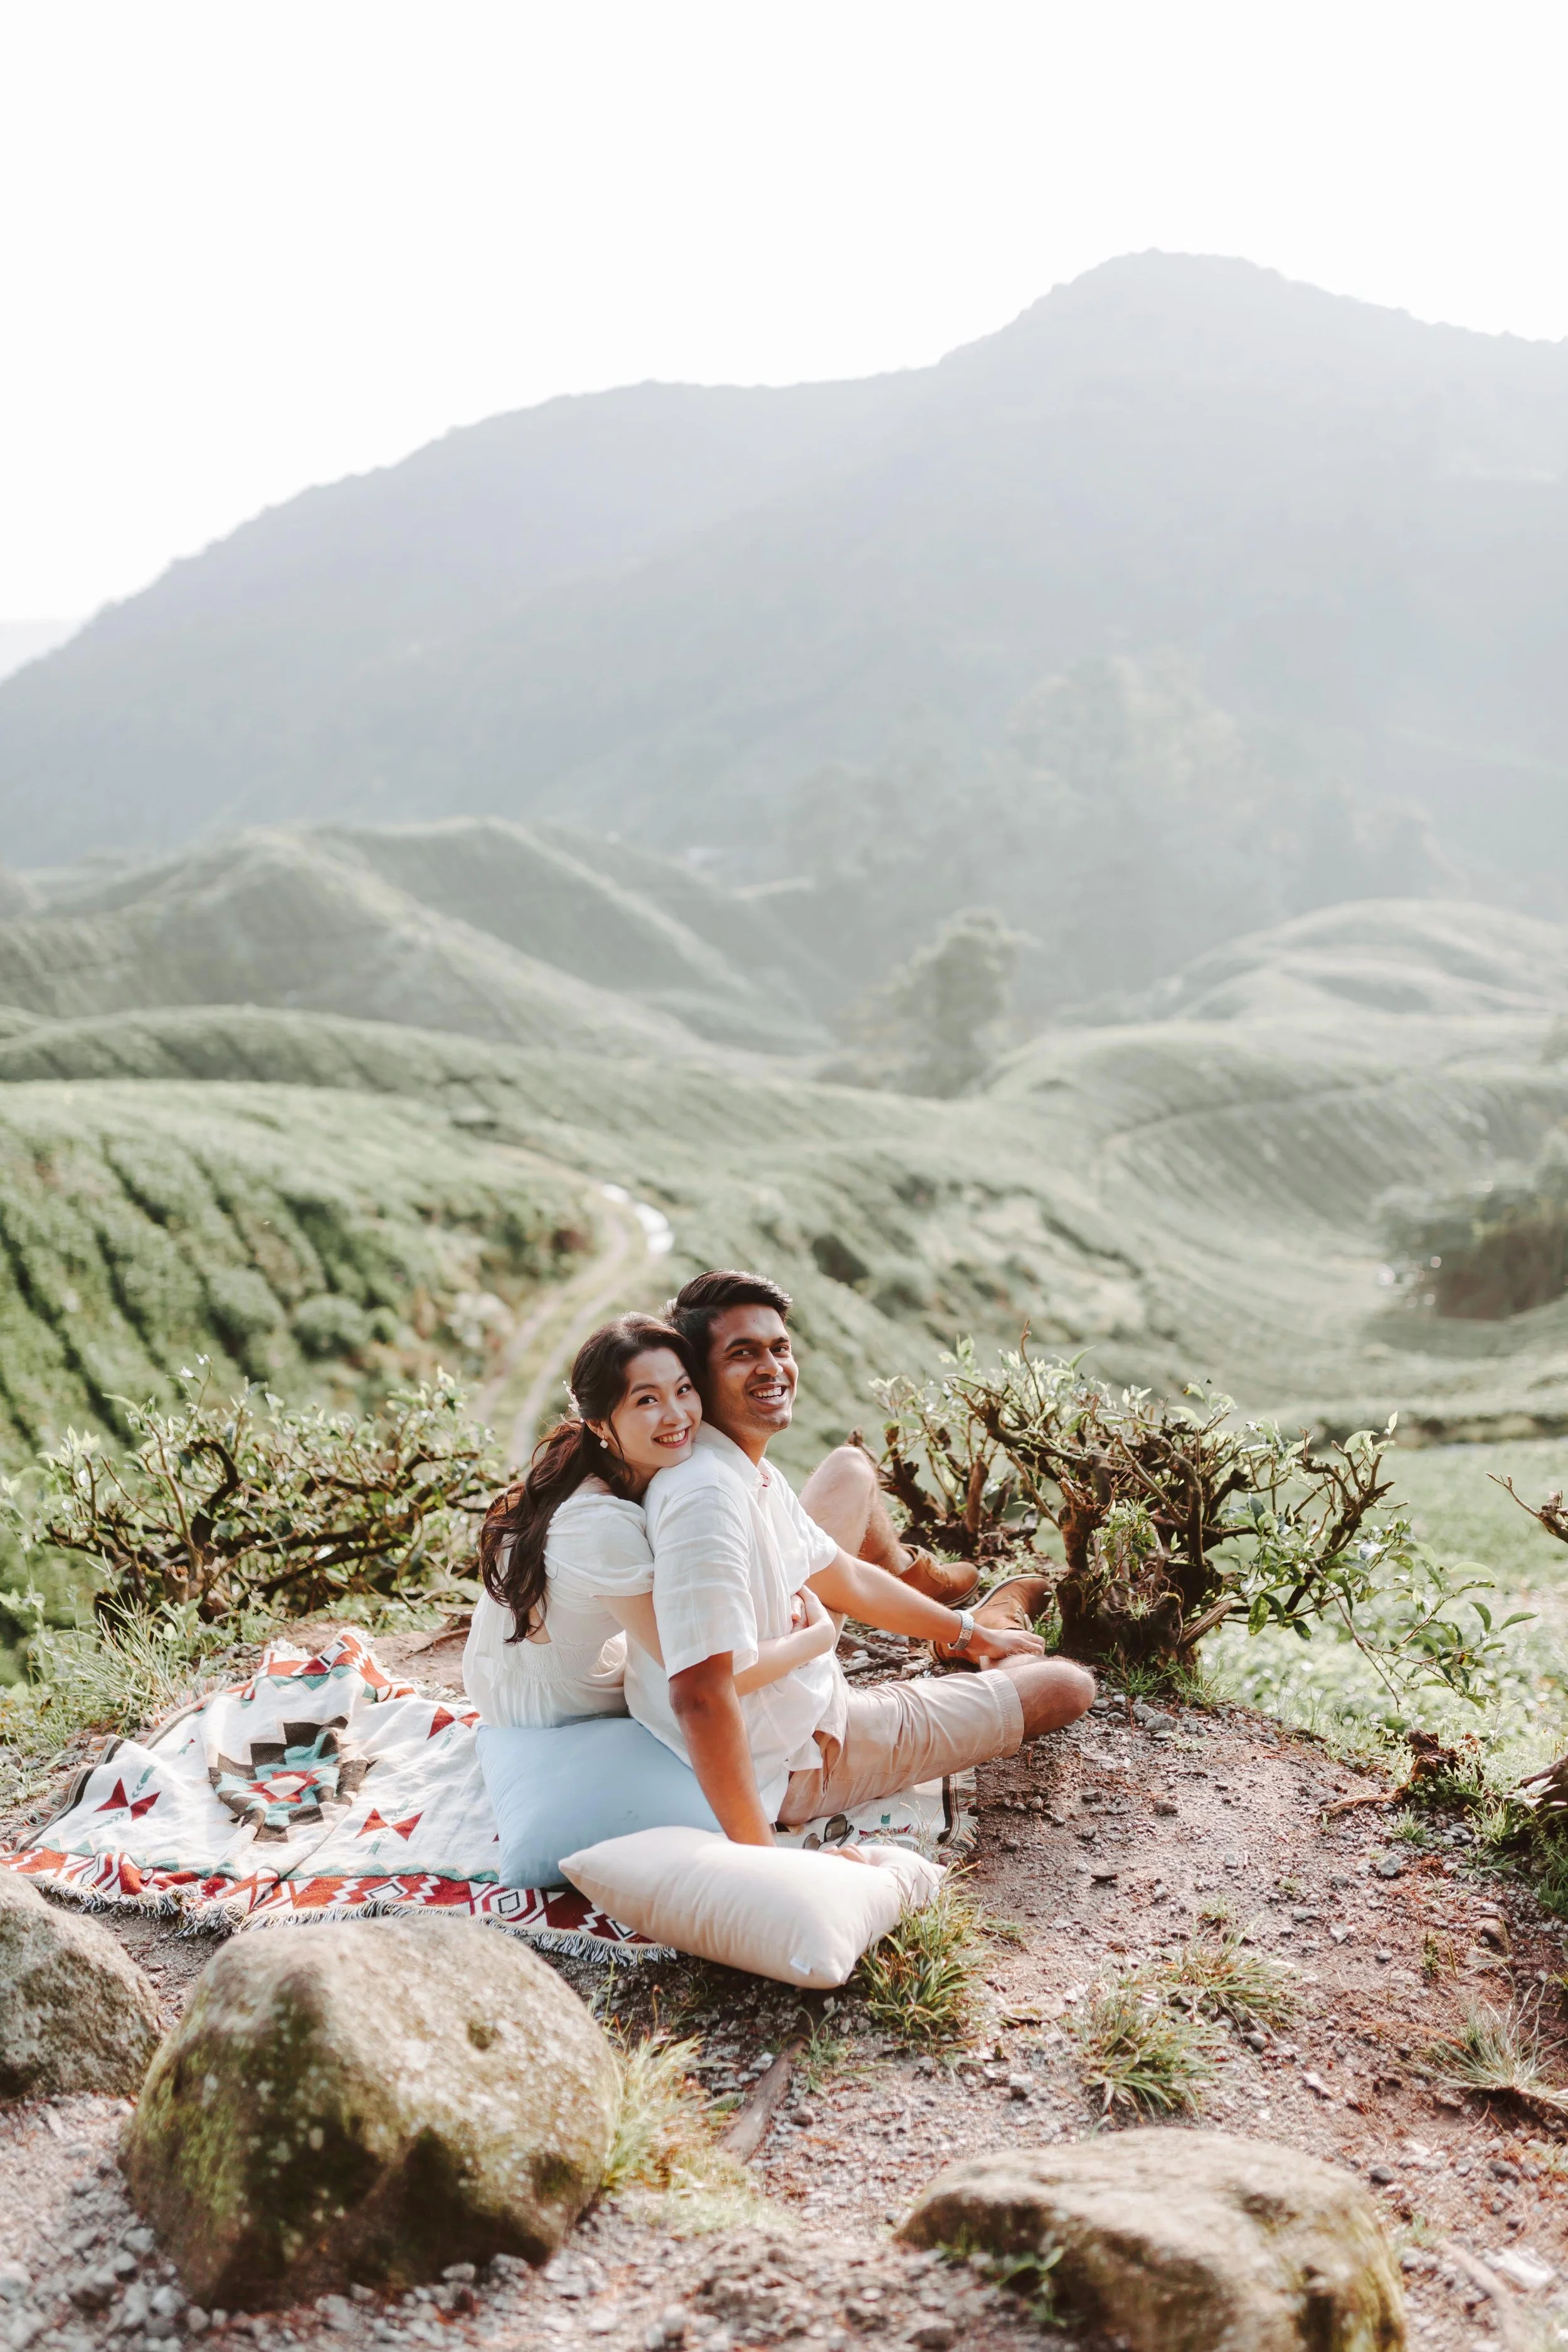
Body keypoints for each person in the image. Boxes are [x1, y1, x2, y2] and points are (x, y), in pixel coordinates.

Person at [624, 1271, 1096, 1842]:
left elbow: (842, 1578)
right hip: (802, 1758)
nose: (772, 1368)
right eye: (743, 1354)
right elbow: (700, 1693)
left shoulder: (736, 1465)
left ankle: (960, 1620)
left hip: (797, 1691)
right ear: (695, 1379)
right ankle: (976, 1660)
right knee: (1067, 1687)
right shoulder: (707, 1499)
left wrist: (968, 1629)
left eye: (780, 1348)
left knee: (850, 1468)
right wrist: (757, 1856)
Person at [464, 1312, 838, 1727]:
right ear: (597, 1422)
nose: (676, 1415)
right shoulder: (597, 1523)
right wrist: (817, 1638)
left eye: (683, 1390)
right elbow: (707, 1676)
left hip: (517, 1668)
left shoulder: (607, 1463)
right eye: (647, 1400)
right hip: (555, 1708)